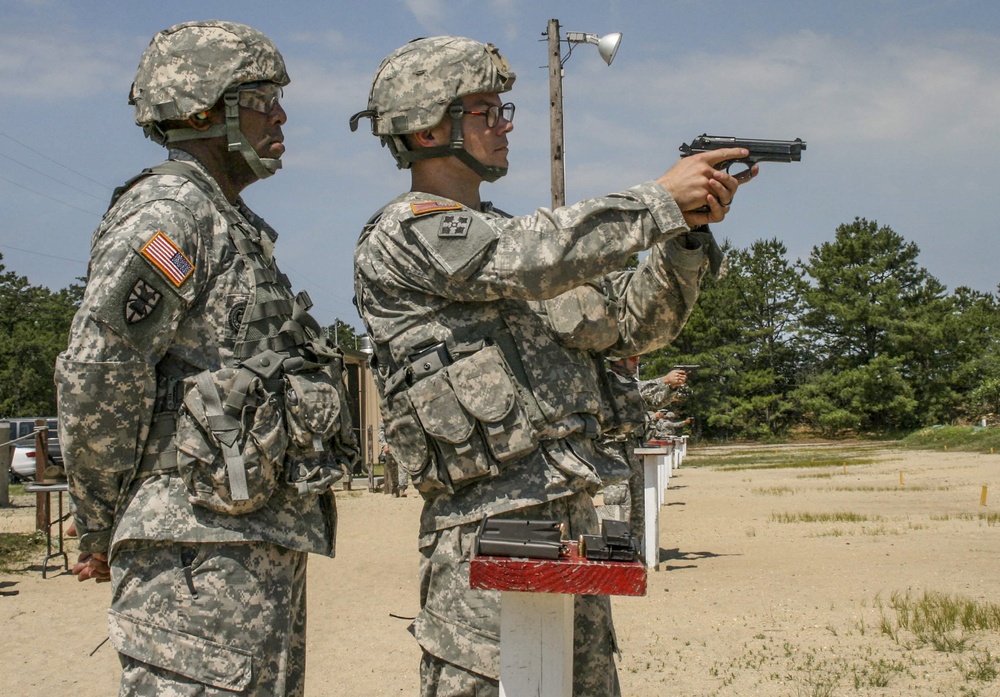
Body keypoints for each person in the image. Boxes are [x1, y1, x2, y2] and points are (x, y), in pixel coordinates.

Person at [350, 35, 754, 696]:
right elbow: (529, 255)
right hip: (487, 530)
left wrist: (684, 230)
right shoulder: (409, 233)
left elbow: (630, 322)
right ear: (427, 128)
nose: (503, 123)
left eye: (502, 108)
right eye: (483, 111)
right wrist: (656, 200)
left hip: (571, 519)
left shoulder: (519, 242)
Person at [55, 20, 357, 695]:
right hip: (191, 560)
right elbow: (101, 372)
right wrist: (98, 520)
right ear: (202, 109)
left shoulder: (227, 220)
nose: (280, 114)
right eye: (259, 97)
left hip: (239, 551)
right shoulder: (170, 213)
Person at [599, 359, 688, 539]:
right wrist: (664, 380)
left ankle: (635, 549)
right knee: (618, 501)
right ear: (617, 359)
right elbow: (630, 393)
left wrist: (672, 387)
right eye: (632, 357)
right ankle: (614, 547)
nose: (637, 361)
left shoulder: (632, 381)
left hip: (631, 446)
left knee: (638, 503)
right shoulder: (607, 379)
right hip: (611, 448)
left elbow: (655, 399)